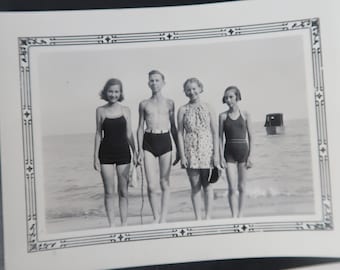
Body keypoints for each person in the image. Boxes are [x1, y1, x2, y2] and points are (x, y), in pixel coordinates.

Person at [137, 70, 179, 223]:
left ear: (163, 83)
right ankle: (155, 216)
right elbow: (140, 127)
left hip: (165, 139)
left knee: (164, 182)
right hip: (148, 141)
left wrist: (179, 150)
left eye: (157, 80)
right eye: (151, 80)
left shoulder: (170, 103)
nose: (154, 83)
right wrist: (138, 151)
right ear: (148, 83)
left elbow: (174, 127)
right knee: (151, 184)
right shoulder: (144, 104)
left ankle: (163, 217)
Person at [94, 78, 137, 227]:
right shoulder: (100, 110)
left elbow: (129, 133)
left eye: (116, 91)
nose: (113, 94)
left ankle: (124, 223)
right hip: (105, 154)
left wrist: (136, 151)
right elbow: (98, 133)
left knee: (123, 191)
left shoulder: (126, 110)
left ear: (120, 93)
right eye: (111, 91)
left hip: (123, 153)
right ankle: (112, 224)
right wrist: (95, 157)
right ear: (106, 92)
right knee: (109, 191)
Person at [177, 78, 219, 220]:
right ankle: (198, 218)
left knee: (207, 184)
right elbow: (179, 133)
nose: (192, 92)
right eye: (188, 89)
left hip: (207, 149)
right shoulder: (183, 109)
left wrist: (217, 155)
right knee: (195, 185)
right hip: (191, 149)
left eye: (194, 88)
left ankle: (208, 217)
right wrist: (182, 155)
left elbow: (215, 132)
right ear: (185, 92)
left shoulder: (208, 107)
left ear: (200, 88)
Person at [218, 86, 253, 218]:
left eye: (231, 97)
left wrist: (251, 156)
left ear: (237, 97)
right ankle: (233, 216)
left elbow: (251, 136)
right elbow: (220, 138)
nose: (228, 100)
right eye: (226, 98)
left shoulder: (245, 115)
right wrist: (220, 156)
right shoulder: (222, 116)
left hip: (243, 153)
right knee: (232, 188)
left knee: (242, 187)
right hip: (229, 154)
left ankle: (241, 214)